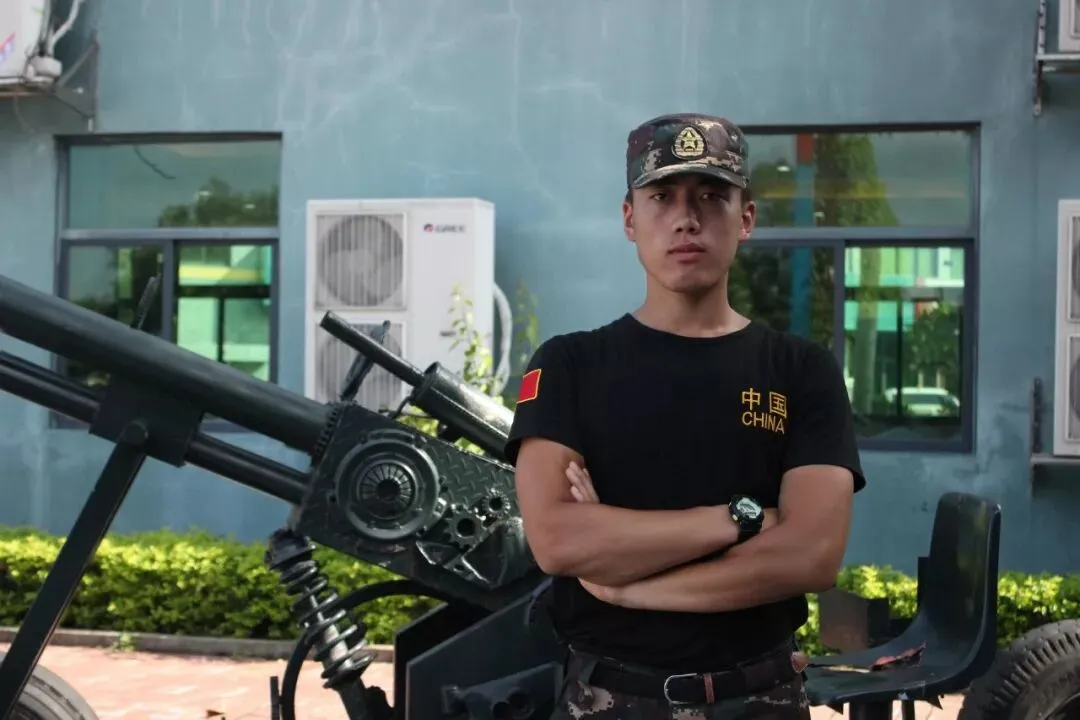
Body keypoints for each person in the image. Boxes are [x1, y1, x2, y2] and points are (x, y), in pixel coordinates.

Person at [503, 113, 866, 720]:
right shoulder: (570, 366)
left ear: (745, 218)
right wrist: (743, 519)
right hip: (609, 701)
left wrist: (627, 585)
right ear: (629, 219)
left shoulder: (801, 371)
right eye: (662, 196)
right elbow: (558, 540)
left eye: (711, 196)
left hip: (760, 701)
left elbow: (811, 555)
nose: (686, 218)